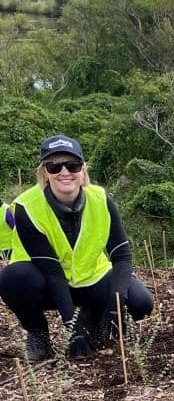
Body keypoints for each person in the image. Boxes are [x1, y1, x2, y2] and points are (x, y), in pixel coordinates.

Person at [0, 136, 154, 360]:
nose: (64, 172)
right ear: (45, 173)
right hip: (45, 282)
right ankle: (38, 335)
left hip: (91, 278)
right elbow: (53, 272)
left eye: (72, 165)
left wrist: (115, 305)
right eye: (54, 166)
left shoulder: (101, 199)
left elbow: (121, 255)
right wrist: (72, 331)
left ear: (83, 170)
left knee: (141, 302)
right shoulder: (26, 208)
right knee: (13, 278)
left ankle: (92, 319)